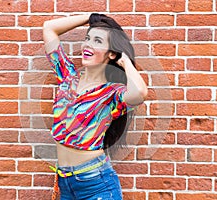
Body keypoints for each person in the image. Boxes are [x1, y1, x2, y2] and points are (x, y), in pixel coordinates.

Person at [43, 13, 147, 200]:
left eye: (97, 41)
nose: (88, 45)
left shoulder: (112, 94)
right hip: (66, 184)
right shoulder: (67, 77)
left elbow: (139, 93)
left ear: (112, 53)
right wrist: (91, 17)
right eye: (87, 38)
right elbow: (49, 28)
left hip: (96, 185)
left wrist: (124, 62)